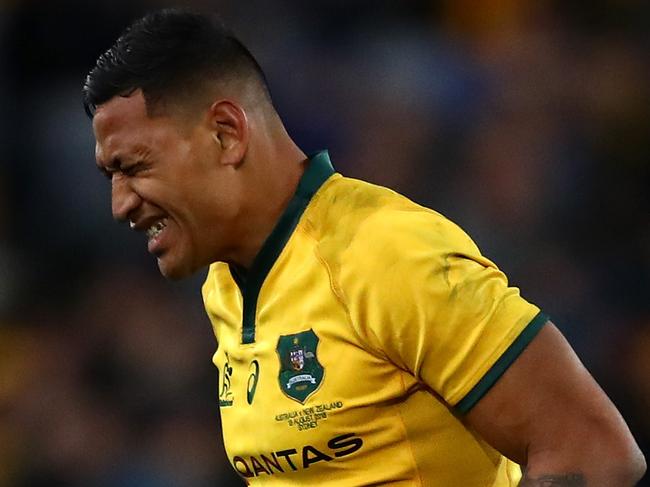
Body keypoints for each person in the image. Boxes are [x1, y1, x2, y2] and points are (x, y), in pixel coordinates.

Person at [83, 8, 646, 487]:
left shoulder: (385, 253)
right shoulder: (226, 285)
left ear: (227, 133)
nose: (120, 204)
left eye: (135, 167)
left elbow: (595, 454)